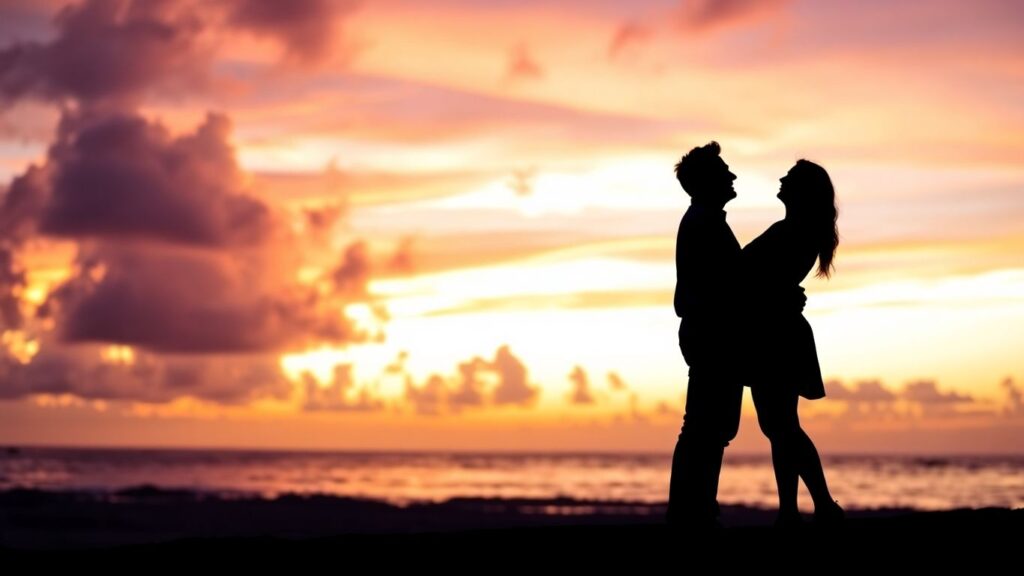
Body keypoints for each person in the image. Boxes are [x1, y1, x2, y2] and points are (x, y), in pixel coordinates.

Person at [740, 159, 845, 527]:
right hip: (775, 332)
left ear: (801, 191)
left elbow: (754, 278)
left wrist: (779, 294)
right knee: (779, 426)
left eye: (790, 177)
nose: (781, 178)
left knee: (782, 426)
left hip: (776, 335)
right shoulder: (794, 229)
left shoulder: (793, 231)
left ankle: (819, 505)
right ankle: (793, 509)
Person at [665, 141, 745, 528]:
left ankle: (696, 508)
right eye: (724, 171)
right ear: (707, 181)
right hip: (711, 335)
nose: (732, 176)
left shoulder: (707, 219)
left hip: (709, 333)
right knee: (705, 427)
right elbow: (723, 286)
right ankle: (691, 511)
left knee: (710, 427)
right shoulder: (704, 222)